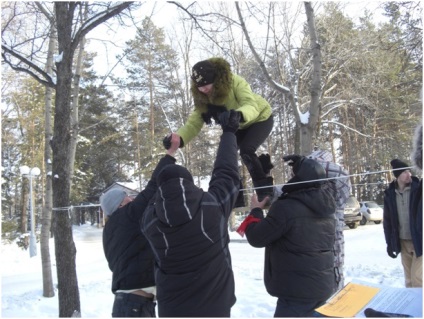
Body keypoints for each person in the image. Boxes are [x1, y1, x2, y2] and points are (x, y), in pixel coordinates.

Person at [142, 110, 241, 317]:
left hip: (173, 310)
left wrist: (168, 156)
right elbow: (226, 173)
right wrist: (229, 132)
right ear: (191, 185)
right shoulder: (212, 207)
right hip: (216, 307)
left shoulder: (150, 223)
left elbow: (150, 192)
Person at [163, 57, 274, 206]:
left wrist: (238, 114)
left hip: (260, 117)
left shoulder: (235, 82)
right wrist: (179, 137)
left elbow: (250, 105)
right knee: (227, 155)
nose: (204, 89)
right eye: (200, 87)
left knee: (247, 150)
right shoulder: (202, 97)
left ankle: (264, 191)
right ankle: (236, 195)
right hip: (236, 125)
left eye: (206, 85)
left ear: (215, 79)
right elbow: (194, 122)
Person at [237, 155, 336, 317]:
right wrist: (267, 175)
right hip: (321, 287)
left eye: (294, 175)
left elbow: (257, 238)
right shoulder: (326, 207)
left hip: (297, 292)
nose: (291, 177)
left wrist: (255, 210)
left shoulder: (286, 207)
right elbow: (274, 195)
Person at [101, 136, 180, 317]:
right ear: (120, 204)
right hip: (133, 307)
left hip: (132, 304)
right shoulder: (128, 215)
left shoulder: (111, 229)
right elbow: (153, 187)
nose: (131, 197)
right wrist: (170, 153)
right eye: (127, 196)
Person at [308, 149, 351, 292]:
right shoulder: (309, 188)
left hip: (333, 240)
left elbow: (338, 172)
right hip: (313, 243)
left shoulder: (340, 180)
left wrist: (305, 164)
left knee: (334, 276)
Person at [383, 158, 422, 287]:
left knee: (418, 279)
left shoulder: (419, 189)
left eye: (409, 171)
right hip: (403, 241)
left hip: (419, 240)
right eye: (405, 172)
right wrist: (390, 243)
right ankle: (412, 306)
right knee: (409, 280)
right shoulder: (390, 194)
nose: (409, 174)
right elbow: (387, 222)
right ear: (398, 176)